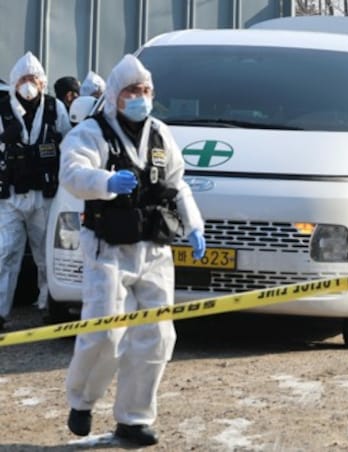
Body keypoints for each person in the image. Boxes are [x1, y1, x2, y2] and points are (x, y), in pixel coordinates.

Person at [60, 54, 206, 446]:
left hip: (154, 247)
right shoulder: (92, 132)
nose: (139, 97)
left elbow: (178, 184)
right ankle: (82, 400)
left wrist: (193, 225)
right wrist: (105, 181)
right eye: (131, 91)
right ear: (114, 95)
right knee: (106, 333)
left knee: (158, 336)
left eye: (145, 91)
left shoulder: (160, 133)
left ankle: (134, 418)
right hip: (108, 246)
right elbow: (72, 174)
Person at [0, 52, 71, 330]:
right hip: (11, 197)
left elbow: (69, 144)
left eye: (35, 79)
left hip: (45, 196)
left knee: (47, 255)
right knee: (6, 253)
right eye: (25, 79)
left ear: (43, 83)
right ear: (15, 82)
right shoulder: (3, 110)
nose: (30, 84)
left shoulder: (55, 109)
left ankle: (48, 306)